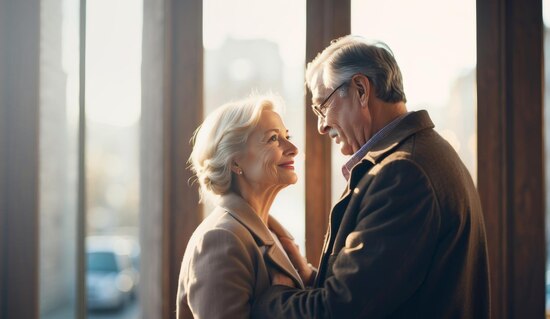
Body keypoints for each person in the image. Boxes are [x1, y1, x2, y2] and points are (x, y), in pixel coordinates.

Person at [251, 35, 491, 318]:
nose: (320, 126)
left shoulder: (404, 175)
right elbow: (382, 293)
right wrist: (309, 277)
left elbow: (340, 311)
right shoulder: (423, 155)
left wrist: (270, 297)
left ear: (361, 90)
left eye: (322, 106)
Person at [176, 94, 304, 319]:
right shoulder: (220, 239)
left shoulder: (270, 231)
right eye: (274, 138)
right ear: (235, 161)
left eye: (287, 136)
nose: (293, 148)